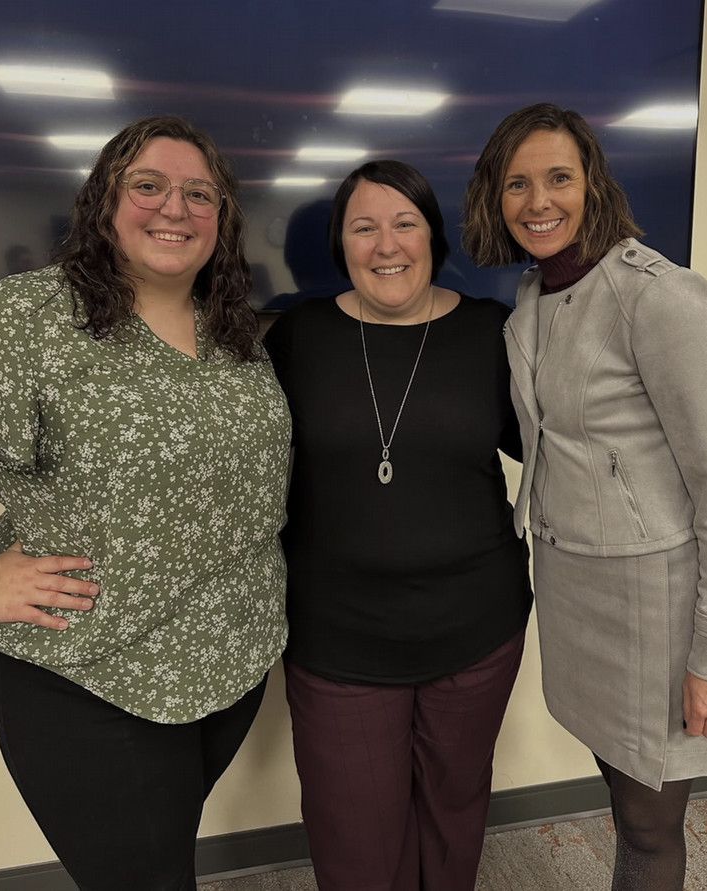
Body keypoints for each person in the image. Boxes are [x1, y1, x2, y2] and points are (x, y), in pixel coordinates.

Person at [0, 115, 290, 891]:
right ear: (102, 203)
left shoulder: (235, 331)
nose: (174, 209)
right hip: (88, 675)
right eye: (147, 186)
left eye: (199, 193)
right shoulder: (25, 320)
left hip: (230, 663)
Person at [462, 102, 707, 891]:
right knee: (623, 801)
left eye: (558, 178)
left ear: (592, 185)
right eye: (517, 183)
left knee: (650, 827)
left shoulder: (658, 295)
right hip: (578, 594)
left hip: (657, 608)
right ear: (494, 197)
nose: (537, 201)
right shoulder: (533, 297)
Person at [263, 160, 533, 891]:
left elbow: (558, 447)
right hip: (338, 637)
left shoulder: (492, 332)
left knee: (455, 809)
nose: (387, 244)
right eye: (364, 226)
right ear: (340, 246)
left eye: (405, 222)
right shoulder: (297, 337)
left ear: (432, 236)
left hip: (478, 629)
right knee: (354, 836)